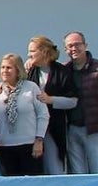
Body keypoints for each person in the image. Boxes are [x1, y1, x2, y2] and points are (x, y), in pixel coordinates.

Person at [25, 35, 79, 175]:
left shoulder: (62, 72)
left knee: (53, 164)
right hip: (30, 126)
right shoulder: (28, 71)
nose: (28, 55)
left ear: (43, 51)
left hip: (53, 127)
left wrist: (51, 100)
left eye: (32, 51)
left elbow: (73, 101)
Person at [0, 53, 49, 176]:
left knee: (34, 184)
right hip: (5, 146)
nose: (5, 71)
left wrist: (39, 140)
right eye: (3, 67)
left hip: (29, 146)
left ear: (18, 70)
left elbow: (43, 115)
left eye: (9, 67)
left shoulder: (31, 87)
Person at [63, 32, 98, 173]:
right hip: (72, 129)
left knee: (96, 171)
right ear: (65, 50)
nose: (74, 48)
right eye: (70, 46)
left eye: (77, 44)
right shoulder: (64, 71)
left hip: (94, 129)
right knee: (78, 174)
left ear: (85, 46)